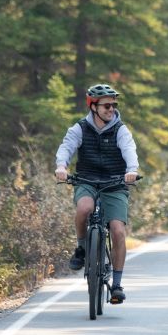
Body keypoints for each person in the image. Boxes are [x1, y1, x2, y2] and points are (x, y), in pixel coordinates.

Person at [55, 83, 139, 304]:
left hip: (115, 183)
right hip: (87, 180)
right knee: (84, 208)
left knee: (118, 231)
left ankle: (117, 285)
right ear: (93, 107)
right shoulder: (79, 128)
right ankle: (82, 249)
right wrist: (62, 167)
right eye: (106, 106)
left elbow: (129, 150)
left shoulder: (121, 129)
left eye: (113, 105)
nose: (111, 110)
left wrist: (132, 171)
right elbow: (66, 147)